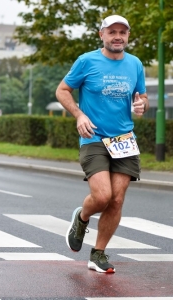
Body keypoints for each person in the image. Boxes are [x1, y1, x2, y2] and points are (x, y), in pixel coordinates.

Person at [55, 15, 149, 273]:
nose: (118, 36)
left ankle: (98, 254)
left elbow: (141, 97)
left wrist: (141, 104)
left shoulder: (135, 64)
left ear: (128, 36)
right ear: (102, 35)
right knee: (103, 196)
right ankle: (82, 217)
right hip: (94, 136)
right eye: (112, 32)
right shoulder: (87, 61)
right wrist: (79, 115)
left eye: (122, 32)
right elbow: (62, 90)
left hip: (124, 140)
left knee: (117, 200)